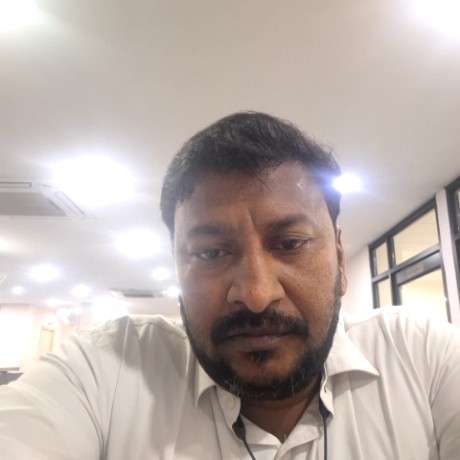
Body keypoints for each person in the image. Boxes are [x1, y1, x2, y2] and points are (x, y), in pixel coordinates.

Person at [0, 112, 459, 460]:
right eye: (210, 253)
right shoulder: (105, 371)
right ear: (176, 266)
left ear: (339, 257)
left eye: (290, 243)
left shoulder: (422, 357)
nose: (257, 294)